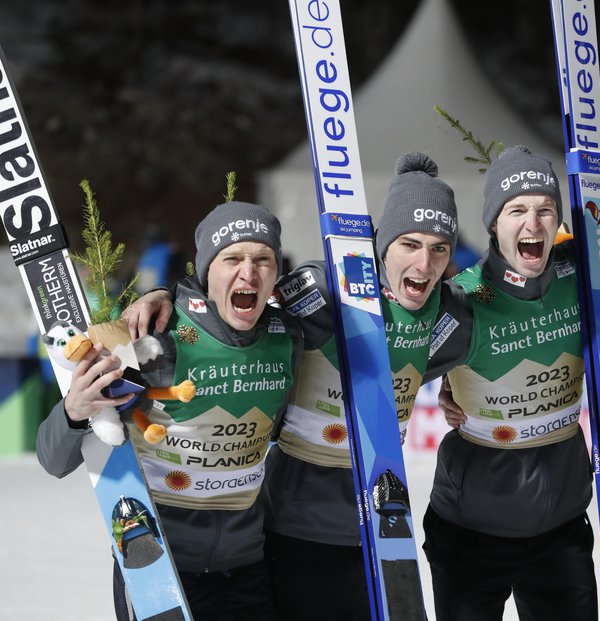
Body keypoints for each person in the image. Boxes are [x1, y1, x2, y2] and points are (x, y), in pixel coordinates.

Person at [124, 152, 459, 620]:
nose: (424, 262)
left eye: (440, 248)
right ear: (383, 244)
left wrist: (456, 391)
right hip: (295, 521)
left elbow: (480, 341)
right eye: (409, 243)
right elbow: (242, 309)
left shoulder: (452, 312)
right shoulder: (323, 291)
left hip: (380, 518)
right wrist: (163, 297)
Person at [37, 201, 303, 621]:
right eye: (232, 258)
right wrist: (73, 412)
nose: (248, 273)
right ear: (205, 270)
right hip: (158, 569)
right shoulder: (152, 337)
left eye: (262, 259)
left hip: (249, 567)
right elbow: (53, 460)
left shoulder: (287, 337)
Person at [424, 145, 598, 621]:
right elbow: (394, 363)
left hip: (561, 532)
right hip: (471, 533)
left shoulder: (581, 280)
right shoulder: (464, 298)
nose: (533, 223)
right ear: (494, 224)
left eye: (545, 210)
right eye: (516, 209)